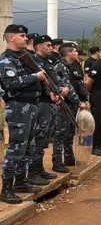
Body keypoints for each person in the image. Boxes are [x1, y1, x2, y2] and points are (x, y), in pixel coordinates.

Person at [0, 24, 47, 204]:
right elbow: (11, 84)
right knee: (16, 148)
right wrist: (36, 77)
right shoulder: (6, 60)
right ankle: (6, 189)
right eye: (22, 35)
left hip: (31, 105)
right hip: (18, 107)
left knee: (28, 147)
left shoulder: (24, 58)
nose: (26, 38)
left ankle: (20, 181)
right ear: (11, 37)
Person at [28, 35, 68, 184]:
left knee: (44, 138)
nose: (51, 48)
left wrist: (60, 90)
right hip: (42, 103)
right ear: (39, 47)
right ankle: (32, 172)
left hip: (51, 103)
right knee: (38, 138)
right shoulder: (34, 61)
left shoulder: (47, 61)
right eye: (48, 45)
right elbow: (41, 83)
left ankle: (39, 169)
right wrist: (52, 92)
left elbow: (53, 80)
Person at [53, 44, 90, 172]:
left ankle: (69, 158)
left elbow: (81, 84)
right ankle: (57, 161)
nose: (77, 52)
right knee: (60, 134)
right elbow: (67, 86)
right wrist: (79, 102)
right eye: (74, 51)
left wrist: (85, 99)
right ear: (68, 53)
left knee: (69, 133)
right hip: (65, 104)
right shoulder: (60, 66)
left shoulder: (75, 65)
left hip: (74, 104)